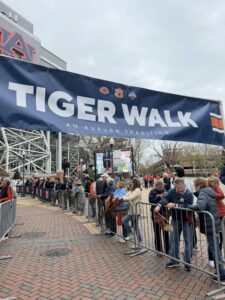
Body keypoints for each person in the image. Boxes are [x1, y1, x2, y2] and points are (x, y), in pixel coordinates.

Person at [189, 177, 225, 284]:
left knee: (215, 249)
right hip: (214, 223)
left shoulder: (203, 193)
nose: (194, 187)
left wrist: (189, 206)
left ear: (198, 185)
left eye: (195, 185)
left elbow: (200, 206)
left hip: (210, 224)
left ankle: (222, 274)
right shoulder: (209, 191)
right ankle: (220, 272)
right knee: (216, 248)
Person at [155, 178, 193, 271]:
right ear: (175, 186)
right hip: (175, 219)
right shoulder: (172, 191)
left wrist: (175, 205)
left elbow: (189, 206)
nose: (180, 189)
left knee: (188, 241)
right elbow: (165, 199)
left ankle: (187, 263)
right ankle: (174, 260)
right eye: (178, 188)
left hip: (186, 220)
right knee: (173, 239)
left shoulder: (189, 194)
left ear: (184, 185)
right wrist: (159, 205)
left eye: (181, 187)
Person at [207, 176, 225, 267]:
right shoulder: (207, 189)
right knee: (213, 239)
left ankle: (219, 255)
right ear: (211, 183)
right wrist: (214, 194)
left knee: (221, 237)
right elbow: (216, 196)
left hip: (221, 215)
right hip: (213, 216)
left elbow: (222, 195)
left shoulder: (216, 187)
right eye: (216, 184)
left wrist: (215, 191)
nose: (218, 185)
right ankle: (211, 258)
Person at [149, 180, 169, 254]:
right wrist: (159, 197)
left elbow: (167, 200)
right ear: (156, 186)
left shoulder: (165, 191)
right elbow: (151, 201)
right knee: (157, 231)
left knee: (166, 231)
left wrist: (163, 196)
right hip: (156, 214)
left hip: (165, 213)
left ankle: (168, 249)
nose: (160, 187)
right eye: (158, 185)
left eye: (161, 185)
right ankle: (158, 249)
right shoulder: (152, 192)